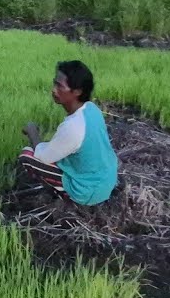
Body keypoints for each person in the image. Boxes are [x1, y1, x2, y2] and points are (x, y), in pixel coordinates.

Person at [18, 60, 119, 206]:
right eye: (55, 83)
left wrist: (32, 131)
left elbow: (43, 156)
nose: (54, 90)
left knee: (27, 155)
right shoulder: (91, 108)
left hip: (89, 192)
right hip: (106, 180)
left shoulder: (73, 126)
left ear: (77, 91)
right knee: (54, 149)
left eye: (60, 86)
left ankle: (63, 195)